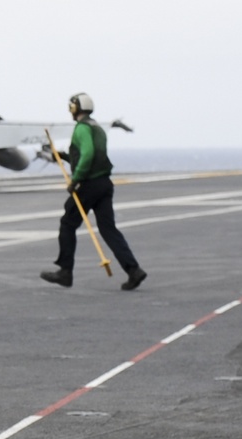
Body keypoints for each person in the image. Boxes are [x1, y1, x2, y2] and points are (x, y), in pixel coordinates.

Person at [41, 93, 147, 291]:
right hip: (104, 183)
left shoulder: (81, 129)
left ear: (75, 108)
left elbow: (88, 155)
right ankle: (134, 269)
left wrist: (76, 179)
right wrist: (62, 156)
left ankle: (65, 271)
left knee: (67, 223)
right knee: (108, 229)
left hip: (88, 184)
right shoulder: (97, 127)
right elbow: (89, 155)